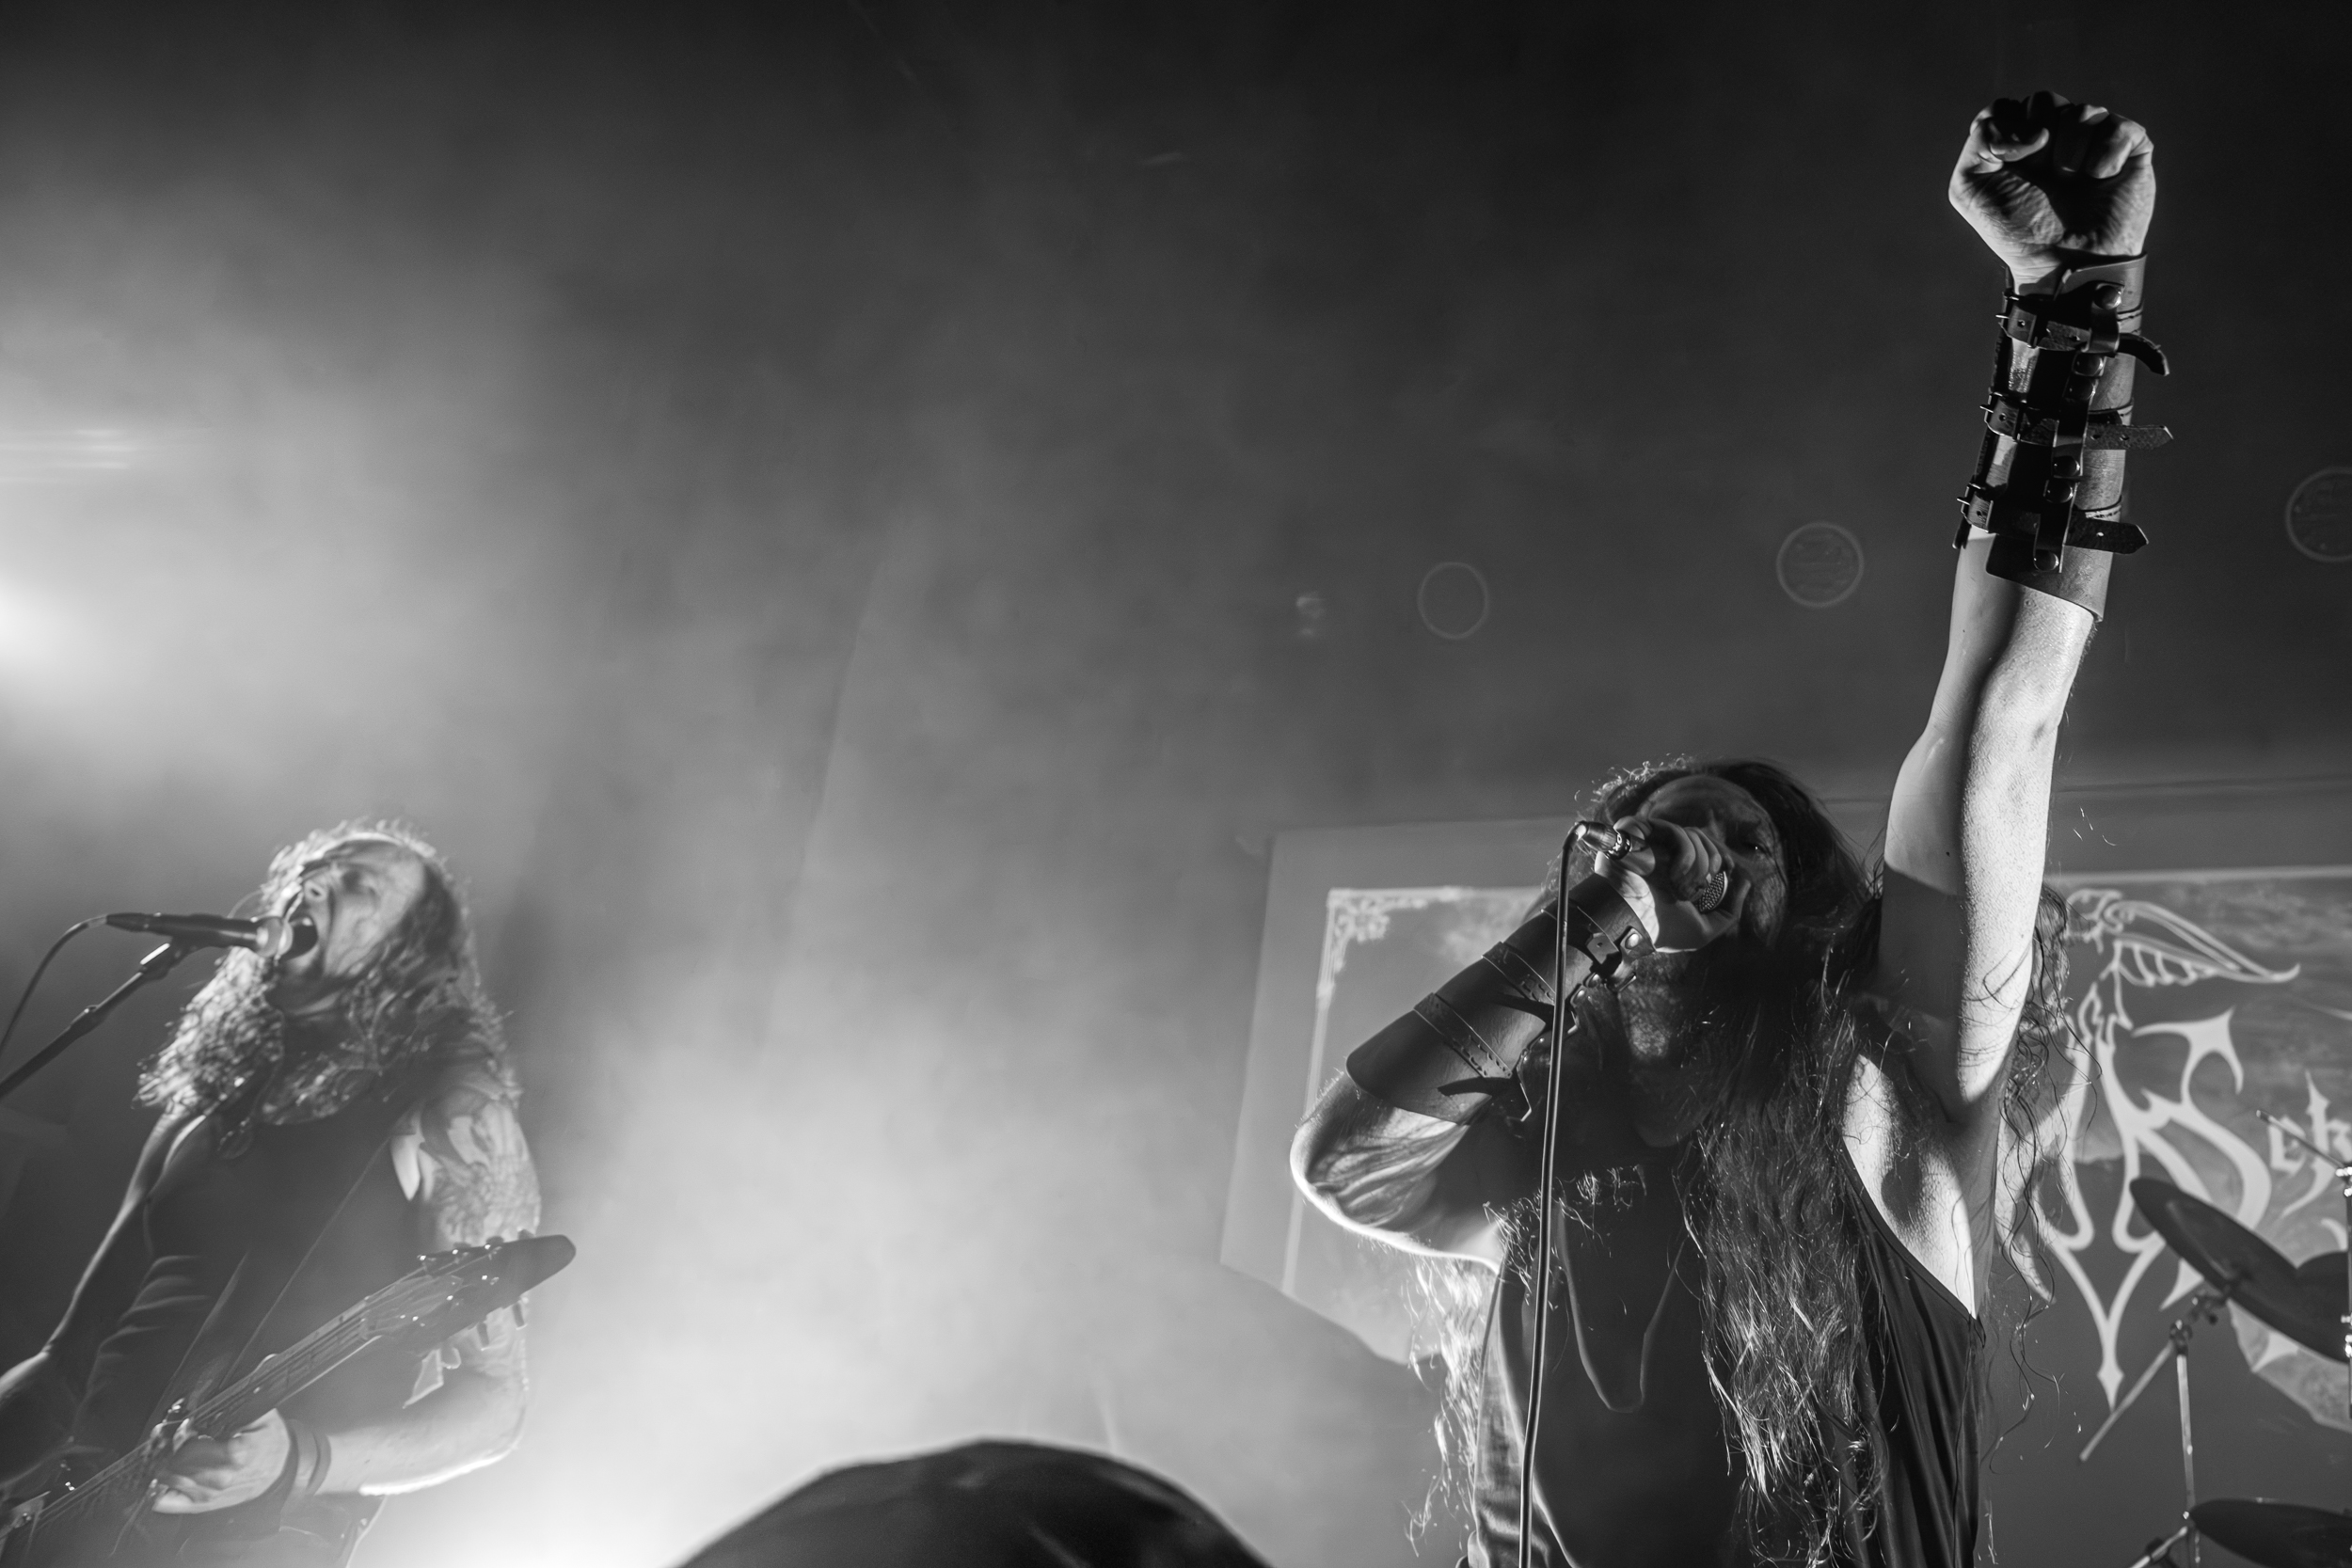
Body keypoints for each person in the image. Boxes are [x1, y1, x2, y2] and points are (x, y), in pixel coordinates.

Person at [1292, 92, 2160, 1568]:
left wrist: (2073, 302)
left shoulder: (1887, 1076)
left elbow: (2001, 719)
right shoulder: (1538, 1164)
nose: (1713, 850)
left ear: (1801, 907)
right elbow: (1342, 1157)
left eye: (1755, 843)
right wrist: (1593, 913)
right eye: (1667, 826)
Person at [0, 824, 541, 1566]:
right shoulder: (203, 1111)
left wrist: (300, 1460)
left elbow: (496, 1405)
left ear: (410, 954)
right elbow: (69, 1363)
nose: (311, 884)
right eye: (311, 871)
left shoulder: (452, 1116)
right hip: (71, 1526)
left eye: (358, 886)